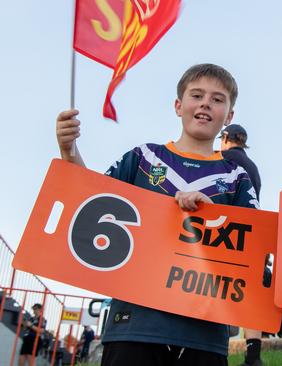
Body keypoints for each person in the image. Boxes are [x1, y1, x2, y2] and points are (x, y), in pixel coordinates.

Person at [55, 63, 260, 366]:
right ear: (179, 106)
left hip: (204, 334)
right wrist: (68, 150)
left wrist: (213, 216)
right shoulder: (142, 158)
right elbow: (91, 203)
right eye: (197, 95)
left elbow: (253, 250)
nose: (205, 103)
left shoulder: (236, 177)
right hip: (133, 325)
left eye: (218, 99)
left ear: (228, 117)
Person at [218, 123, 264, 366]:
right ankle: (253, 355)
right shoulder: (253, 167)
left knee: (217, 292)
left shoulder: (220, 158)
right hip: (251, 232)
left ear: (225, 137)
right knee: (249, 293)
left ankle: (215, 350)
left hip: (222, 233)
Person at [220, 124, 261, 198]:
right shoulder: (253, 166)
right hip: (251, 208)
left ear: (225, 137)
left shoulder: (223, 157)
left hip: (227, 208)